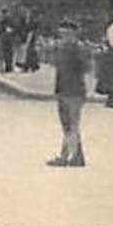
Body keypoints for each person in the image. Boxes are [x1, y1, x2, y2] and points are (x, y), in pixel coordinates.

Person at [48, 19, 91, 167]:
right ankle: (72, 155)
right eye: (62, 34)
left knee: (72, 124)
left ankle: (71, 156)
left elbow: (86, 67)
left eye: (67, 34)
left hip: (74, 90)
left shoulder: (78, 49)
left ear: (74, 34)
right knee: (67, 125)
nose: (64, 37)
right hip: (64, 89)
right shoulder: (62, 49)